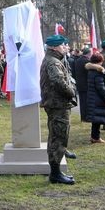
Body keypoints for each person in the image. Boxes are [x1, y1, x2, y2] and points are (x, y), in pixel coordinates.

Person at [40, 34, 76, 185]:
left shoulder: (53, 60)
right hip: (58, 104)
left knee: (58, 136)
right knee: (58, 138)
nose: (64, 47)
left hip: (57, 104)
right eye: (62, 45)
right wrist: (71, 92)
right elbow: (58, 81)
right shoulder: (53, 62)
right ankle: (55, 174)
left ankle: (56, 172)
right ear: (54, 47)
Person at [85, 53, 105, 144]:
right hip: (97, 98)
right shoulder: (98, 71)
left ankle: (94, 136)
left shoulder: (91, 70)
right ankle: (96, 137)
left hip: (93, 97)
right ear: (100, 61)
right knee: (97, 119)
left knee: (95, 119)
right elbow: (100, 87)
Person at [74, 47, 91, 121]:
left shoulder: (77, 60)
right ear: (88, 54)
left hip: (79, 83)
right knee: (86, 101)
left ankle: (83, 116)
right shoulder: (86, 61)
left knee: (82, 101)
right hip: (85, 84)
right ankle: (86, 117)